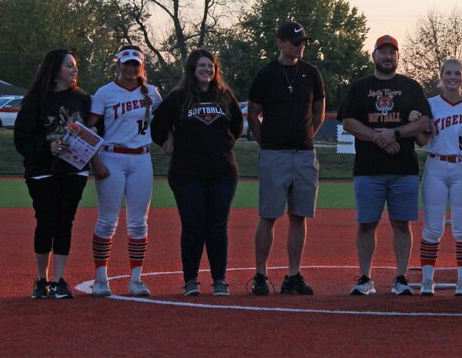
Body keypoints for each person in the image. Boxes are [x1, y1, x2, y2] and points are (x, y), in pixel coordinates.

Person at [337, 35, 431, 296]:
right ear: (374, 55)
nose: (388, 56)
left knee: (402, 224)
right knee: (367, 224)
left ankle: (401, 277)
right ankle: (365, 277)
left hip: (404, 169)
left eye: (392, 52)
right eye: (383, 52)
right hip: (369, 169)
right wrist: (380, 136)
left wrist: (395, 134)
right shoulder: (359, 87)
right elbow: (348, 122)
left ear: (398, 57)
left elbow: (423, 123)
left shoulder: (412, 87)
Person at [151, 50, 244, 296]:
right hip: (187, 172)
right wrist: (168, 138)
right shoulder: (179, 97)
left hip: (222, 172)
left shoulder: (224, 96)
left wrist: (221, 145)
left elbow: (237, 126)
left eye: (211, 66)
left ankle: (219, 280)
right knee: (192, 226)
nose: (207, 70)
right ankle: (190, 279)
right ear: (192, 69)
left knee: (217, 226)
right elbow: (157, 125)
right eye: (202, 65)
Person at [246, 21, 325, 296]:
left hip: (304, 154)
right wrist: (264, 142)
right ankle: (260, 275)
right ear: (280, 43)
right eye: (294, 41)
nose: (300, 45)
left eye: (303, 41)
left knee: (299, 216)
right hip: (274, 154)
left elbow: (318, 111)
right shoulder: (266, 74)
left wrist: (307, 137)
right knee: (268, 215)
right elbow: (253, 113)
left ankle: (293, 275)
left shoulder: (311, 73)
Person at [14, 49, 92, 299]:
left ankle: (59, 281)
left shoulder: (82, 100)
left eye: (75, 66)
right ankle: (41, 279)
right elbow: (22, 139)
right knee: (46, 223)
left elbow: (93, 130)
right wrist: (48, 146)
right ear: (55, 69)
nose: (74, 70)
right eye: (69, 66)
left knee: (64, 224)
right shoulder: (36, 100)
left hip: (73, 170)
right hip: (43, 171)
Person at [87, 45, 162, 297]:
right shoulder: (105, 93)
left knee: (139, 223)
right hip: (111, 156)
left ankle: (136, 280)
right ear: (117, 64)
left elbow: (163, 124)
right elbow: (91, 128)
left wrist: (170, 137)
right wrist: (94, 160)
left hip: (141, 158)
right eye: (126, 63)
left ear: (142, 67)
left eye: (135, 64)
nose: (130, 68)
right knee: (107, 221)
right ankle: (100, 279)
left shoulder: (151, 92)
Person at [410, 59, 462, 297]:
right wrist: (415, 122)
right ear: (441, 75)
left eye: (457, 73)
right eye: (448, 73)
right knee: (432, 229)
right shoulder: (430, 104)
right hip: (436, 165)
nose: (453, 77)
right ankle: (428, 279)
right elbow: (421, 140)